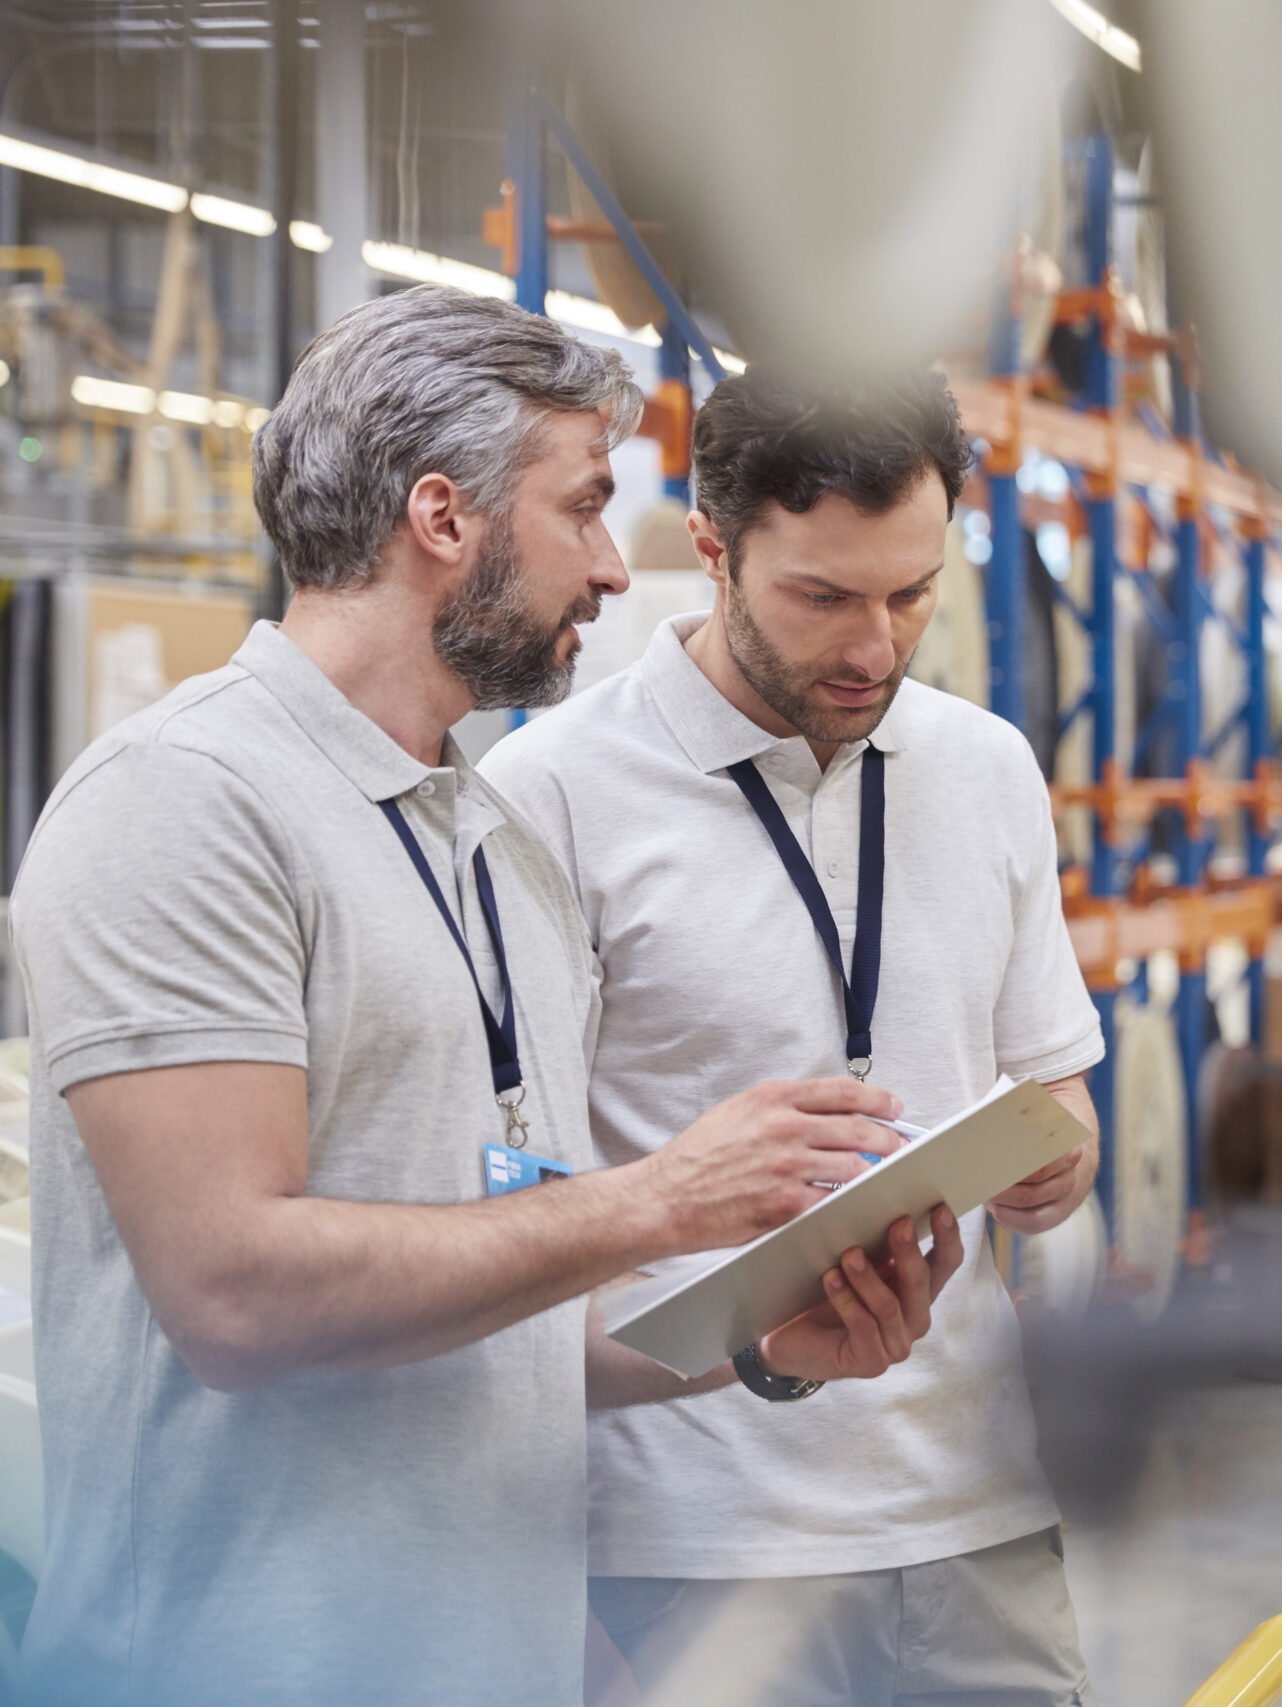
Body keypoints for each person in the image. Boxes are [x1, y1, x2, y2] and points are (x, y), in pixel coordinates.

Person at [8, 287, 960, 1707]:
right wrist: (661, 1200)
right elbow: (233, 1291)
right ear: (443, 518)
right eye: (583, 508)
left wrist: (755, 1347)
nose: (616, 570)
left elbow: (509, 1317)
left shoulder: (490, 839)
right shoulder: (184, 803)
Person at [481, 363, 1105, 1707]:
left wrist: (1057, 1159)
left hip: (974, 1507)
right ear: (714, 549)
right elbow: (511, 1209)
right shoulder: (550, 795)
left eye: (912, 593)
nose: (876, 646)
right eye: (823, 597)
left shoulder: (989, 767)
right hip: (691, 1543)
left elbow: (1053, 1079)